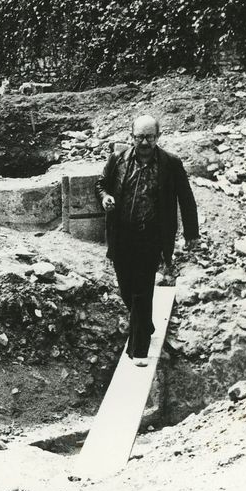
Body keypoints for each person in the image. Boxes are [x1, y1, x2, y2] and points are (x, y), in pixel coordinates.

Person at [96, 115, 199, 366]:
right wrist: (105, 197)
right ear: (131, 137)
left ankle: (139, 349)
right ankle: (146, 323)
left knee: (142, 289)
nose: (144, 142)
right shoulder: (117, 160)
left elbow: (186, 199)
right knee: (126, 288)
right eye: (140, 137)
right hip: (122, 235)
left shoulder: (170, 164)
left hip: (151, 236)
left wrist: (191, 235)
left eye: (149, 137)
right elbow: (100, 184)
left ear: (158, 137)